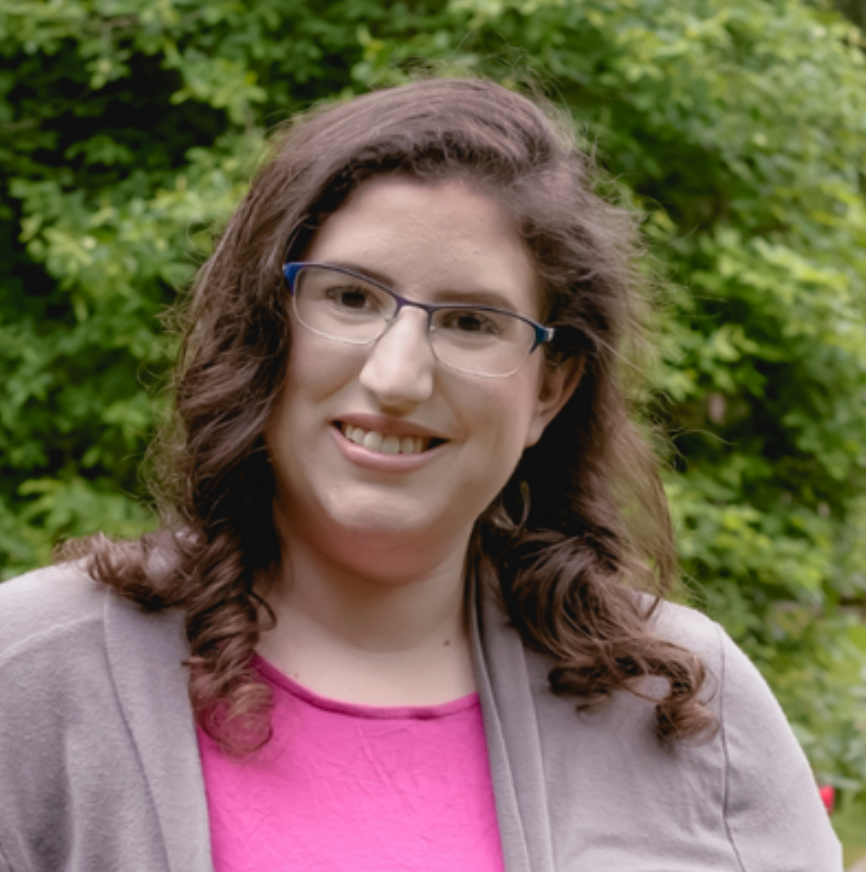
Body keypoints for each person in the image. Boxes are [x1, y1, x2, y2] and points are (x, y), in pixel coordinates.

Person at [0, 77, 841, 871]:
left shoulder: (682, 703)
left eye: (471, 322)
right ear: (266, 327)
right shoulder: (31, 676)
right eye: (350, 299)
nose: (398, 377)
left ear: (550, 388)